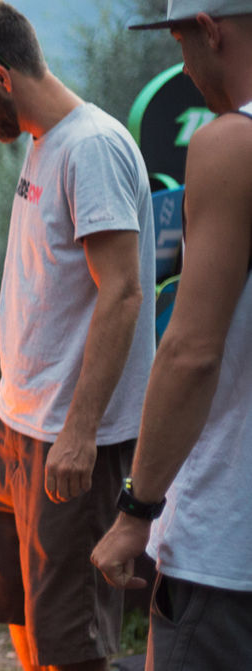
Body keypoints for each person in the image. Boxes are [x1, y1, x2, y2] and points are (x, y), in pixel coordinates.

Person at [0, 2, 156, 670]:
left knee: (69, 640)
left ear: (1, 76)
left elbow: (122, 293)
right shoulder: (42, 141)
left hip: (69, 438)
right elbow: (51, 292)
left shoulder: (94, 148)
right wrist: (9, 396)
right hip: (18, 424)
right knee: (20, 610)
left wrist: (81, 433)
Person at [91, 2, 252, 669]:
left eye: (180, 45)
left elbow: (191, 350)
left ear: (207, 29)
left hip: (231, 547)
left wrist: (136, 509)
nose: (183, 68)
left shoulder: (231, 144)